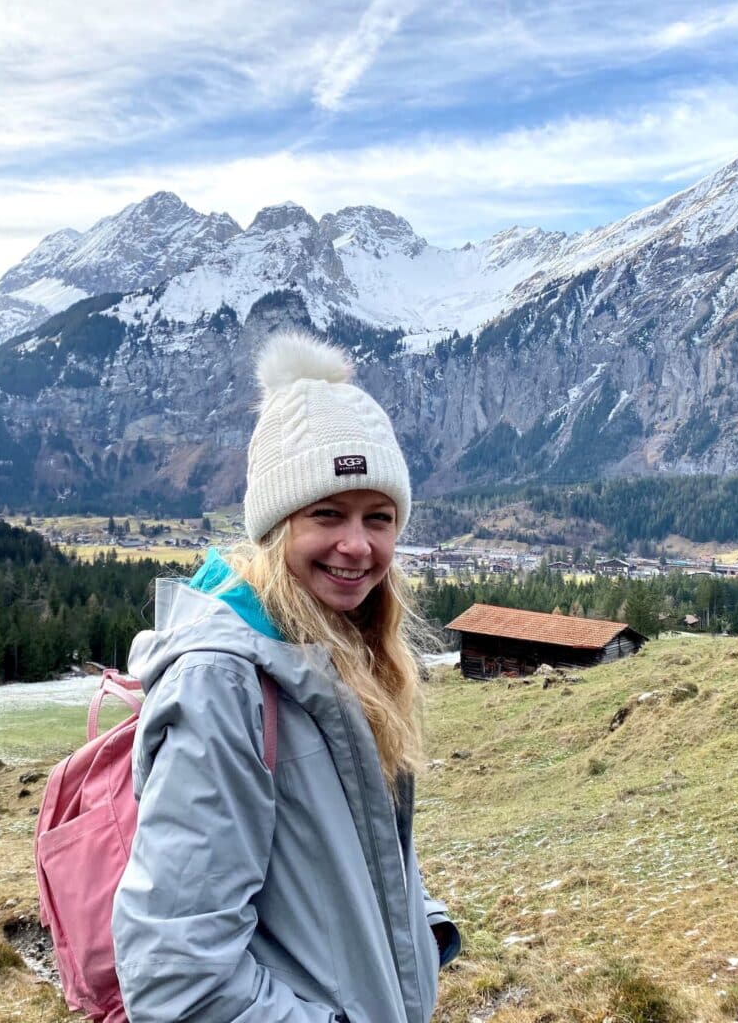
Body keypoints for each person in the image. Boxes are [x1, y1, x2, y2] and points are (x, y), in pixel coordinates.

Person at [112, 328, 460, 1023]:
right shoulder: (225, 684)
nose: (357, 545)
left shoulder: (340, 652)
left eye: (379, 518)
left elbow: (336, 854)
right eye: (326, 514)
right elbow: (177, 981)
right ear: (275, 527)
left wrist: (422, 932)